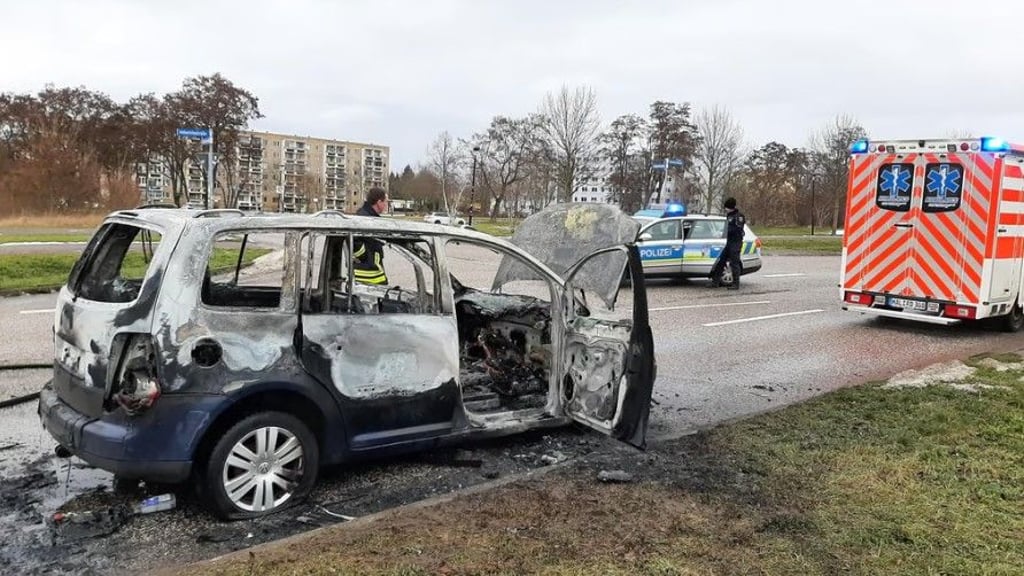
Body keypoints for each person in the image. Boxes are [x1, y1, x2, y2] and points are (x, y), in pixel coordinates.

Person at [353, 187, 389, 285]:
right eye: (385, 202)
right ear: (378, 202)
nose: (386, 205)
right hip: (367, 276)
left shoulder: (371, 218)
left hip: (374, 273)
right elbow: (353, 241)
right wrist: (365, 256)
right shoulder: (364, 219)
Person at [709, 197, 745, 290]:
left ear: (730, 207)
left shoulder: (739, 216)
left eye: (726, 207)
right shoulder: (729, 216)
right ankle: (715, 282)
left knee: (734, 263)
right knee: (721, 262)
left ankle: (736, 284)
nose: (725, 209)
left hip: (736, 243)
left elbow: (737, 229)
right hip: (729, 243)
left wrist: (725, 232)